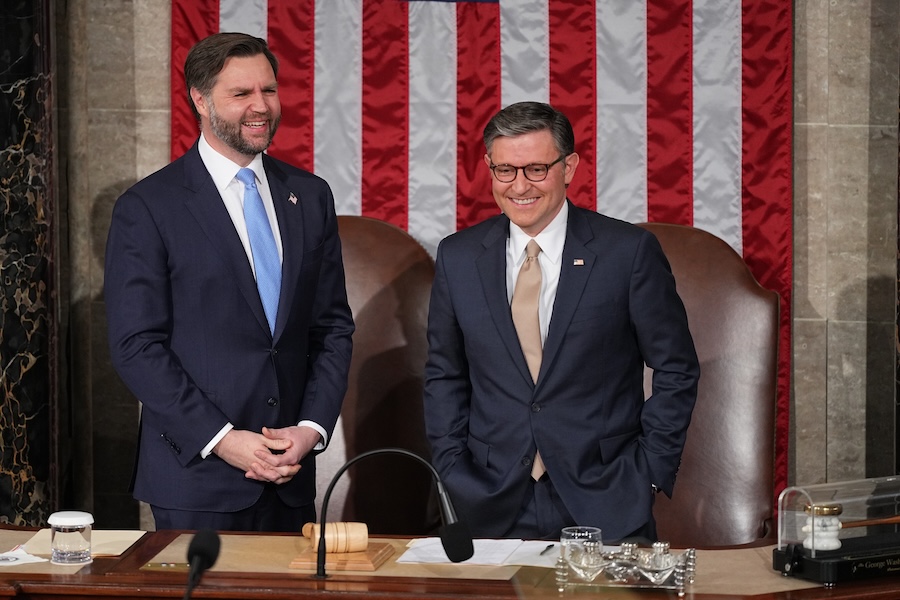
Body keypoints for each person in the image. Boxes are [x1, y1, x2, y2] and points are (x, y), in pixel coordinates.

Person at [104, 33, 354, 532]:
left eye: (269, 90)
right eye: (241, 94)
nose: (261, 107)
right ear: (200, 100)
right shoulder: (148, 207)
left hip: (290, 478)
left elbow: (332, 328)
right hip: (197, 482)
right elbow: (136, 346)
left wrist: (310, 429)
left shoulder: (310, 195)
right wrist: (222, 439)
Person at [423, 101, 700, 542]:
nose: (520, 186)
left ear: (568, 167)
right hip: (487, 499)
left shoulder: (627, 253)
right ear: (489, 168)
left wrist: (649, 471)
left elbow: (676, 367)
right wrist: (452, 465)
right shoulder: (458, 257)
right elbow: (445, 374)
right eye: (505, 170)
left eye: (536, 169)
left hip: (606, 495)